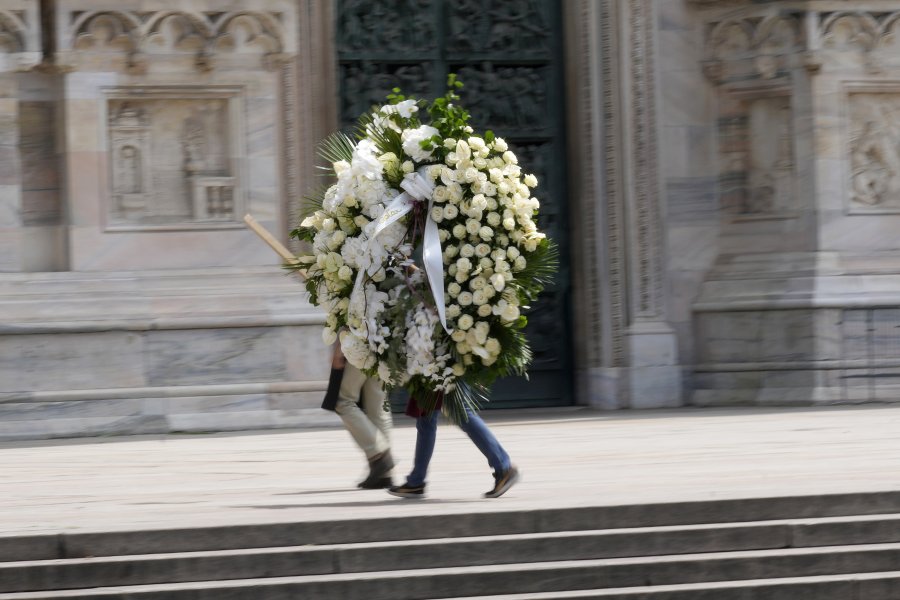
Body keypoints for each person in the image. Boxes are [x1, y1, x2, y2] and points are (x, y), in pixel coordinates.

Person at [387, 399, 519, 499]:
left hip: (439, 365)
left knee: (458, 412)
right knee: (429, 417)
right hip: (437, 365)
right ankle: (416, 481)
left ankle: (503, 467)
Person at [323, 345, 395, 489]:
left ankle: (380, 453)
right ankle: (384, 475)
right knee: (377, 405)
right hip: (384, 341)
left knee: (343, 401)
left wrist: (338, 349)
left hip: (359, 341)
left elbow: (347, 321)